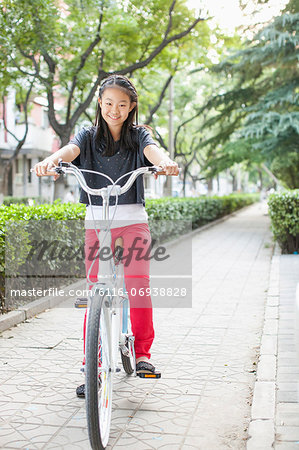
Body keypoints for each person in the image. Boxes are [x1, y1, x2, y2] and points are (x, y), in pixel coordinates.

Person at [33, 74, 179, 398]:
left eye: (122, 105)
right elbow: (70, 150)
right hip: (96, 223)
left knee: (138, 284)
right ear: (100, 103)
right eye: (109, 103)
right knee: (96, 291)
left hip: (132, 222)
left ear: (131, 108)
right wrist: (52, 160)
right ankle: (92, 366)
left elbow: (153, 152)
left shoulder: (140, 135)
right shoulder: (87, 135)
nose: (115, 110)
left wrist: (165, 161)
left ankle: (142, 354)